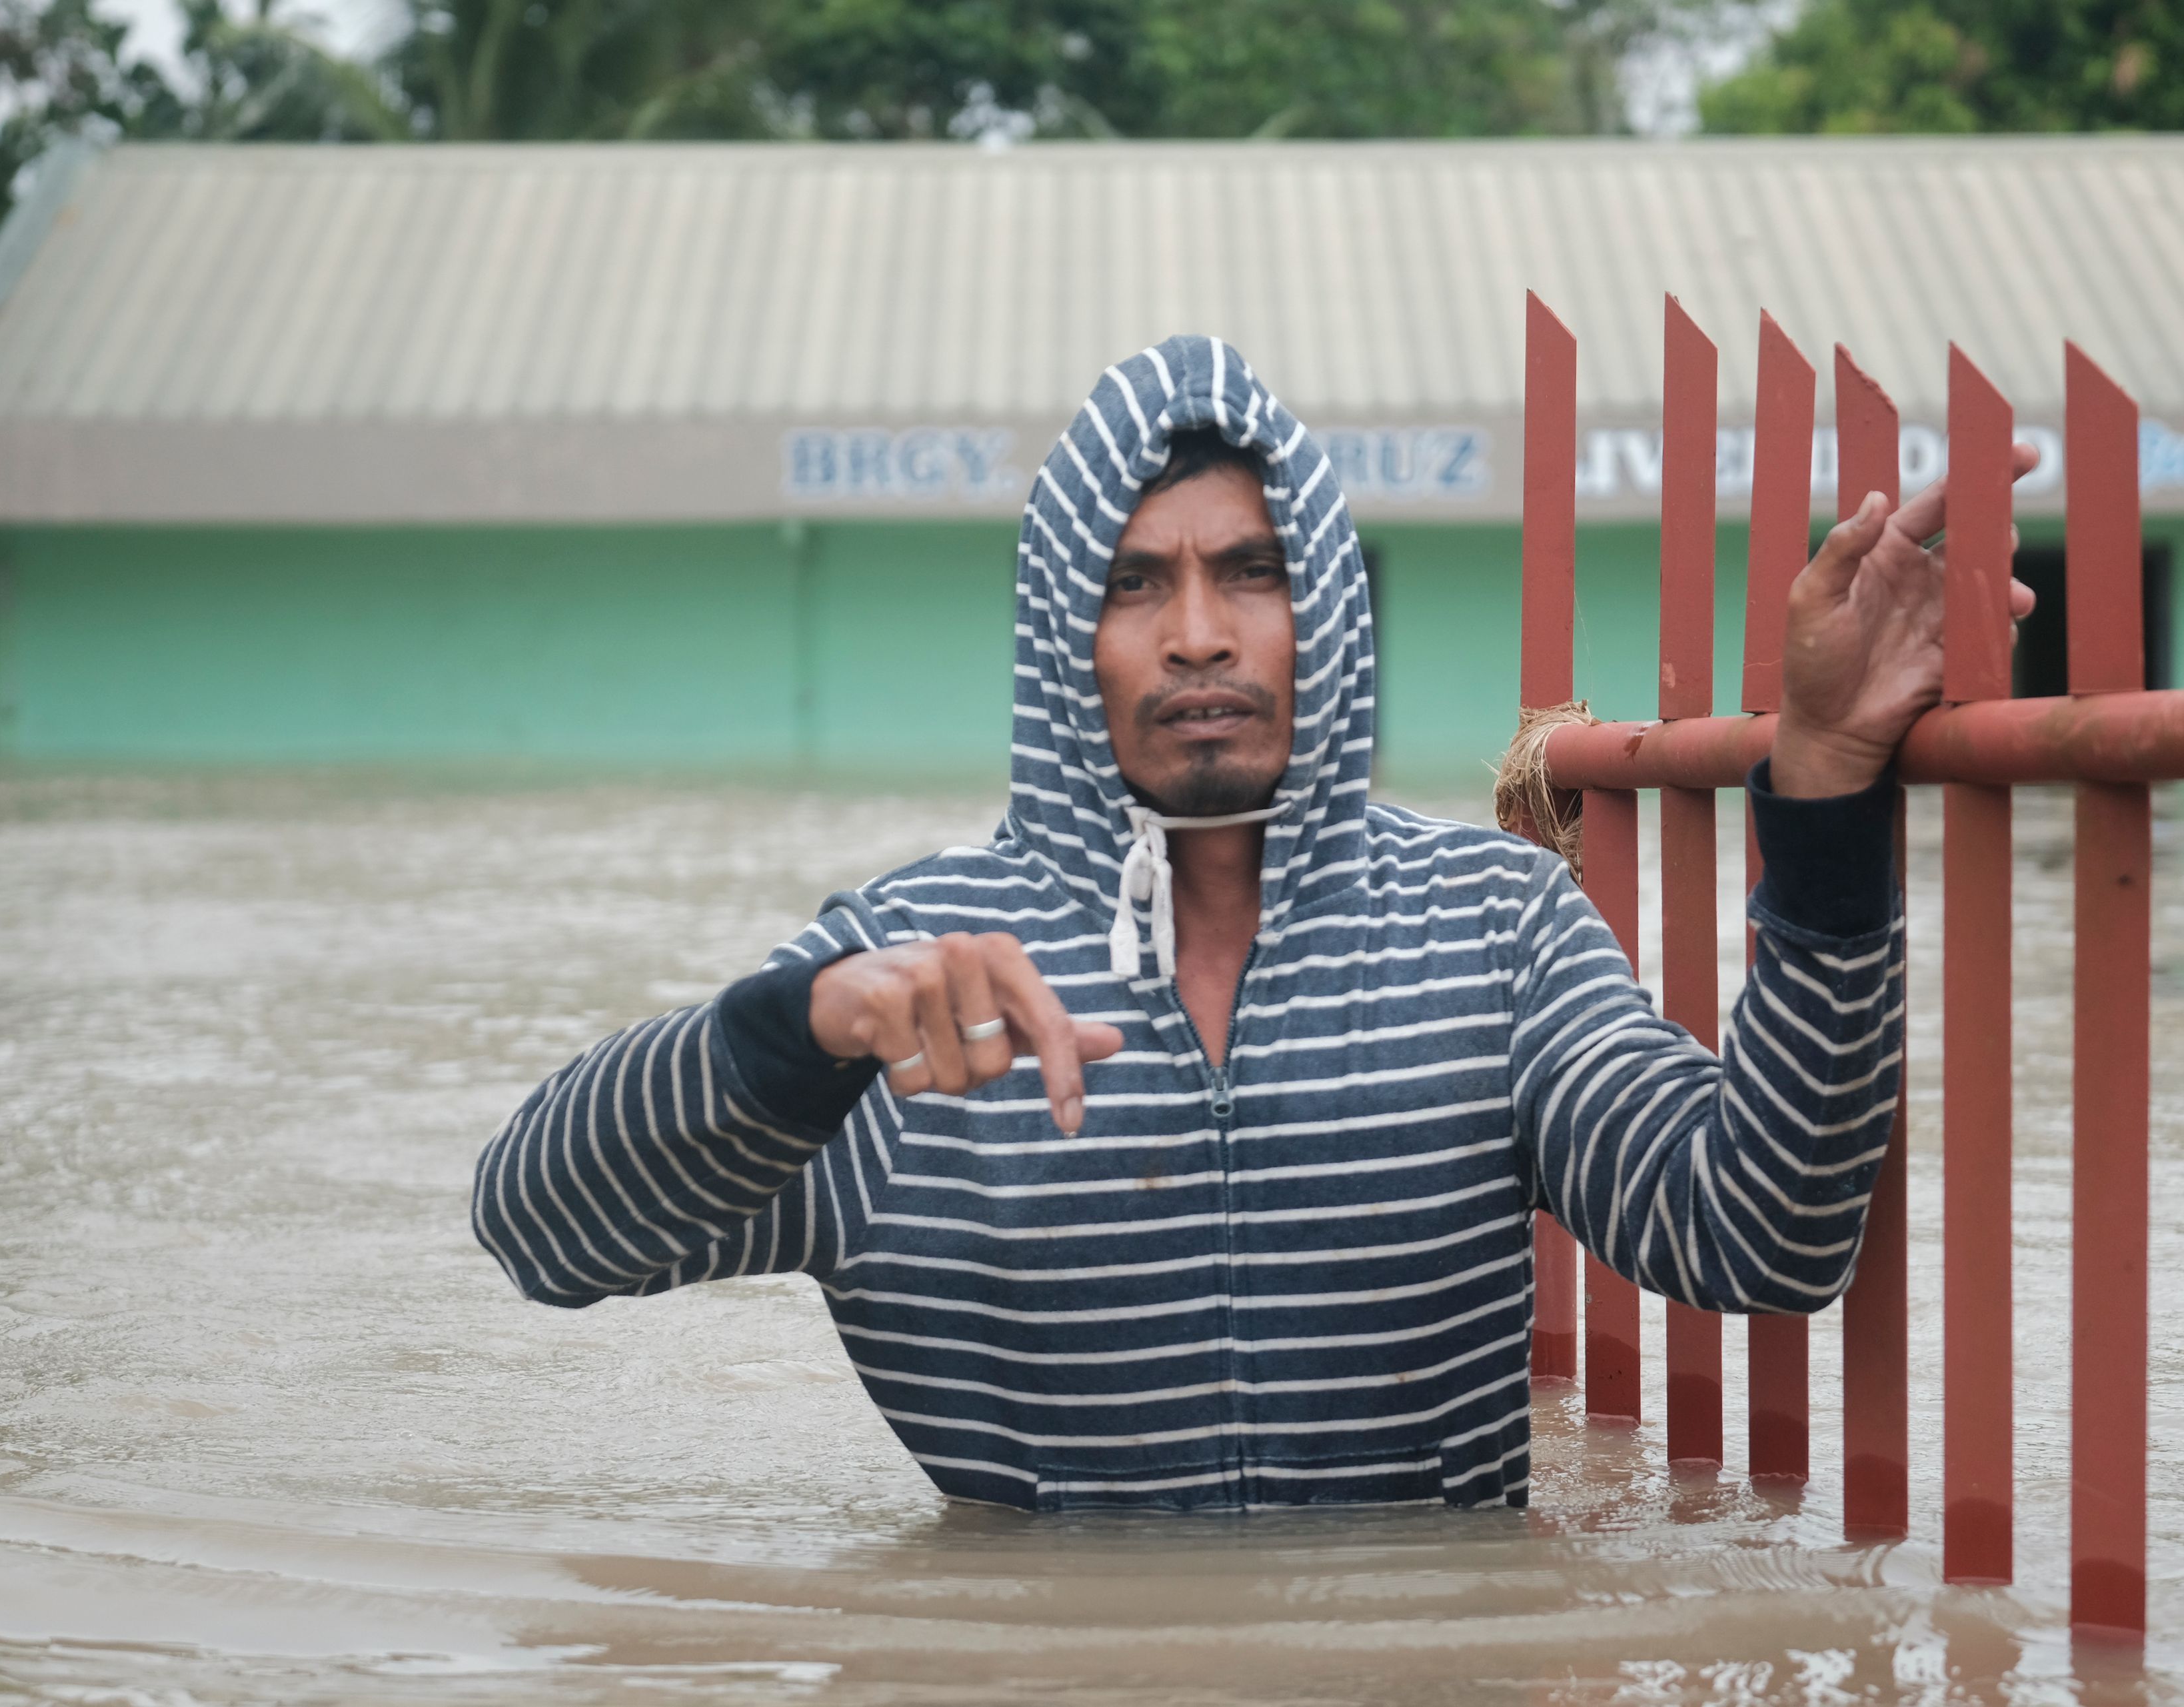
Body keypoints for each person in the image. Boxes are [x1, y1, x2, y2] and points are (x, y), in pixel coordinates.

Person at [473, 335, 2032, 1512]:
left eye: (1253, 573)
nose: (1202, 634)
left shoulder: (1491, 929)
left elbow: (1764, 1231)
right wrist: (798, 1030)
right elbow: (537, 1233)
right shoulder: (910, 974)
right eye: (1136, 583)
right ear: (1060, 641)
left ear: (1331, 613)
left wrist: (1821, 789)